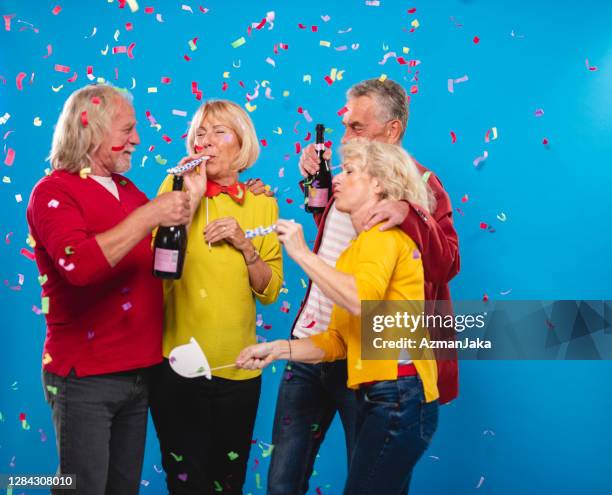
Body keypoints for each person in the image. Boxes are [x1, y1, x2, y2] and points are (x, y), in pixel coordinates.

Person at [266, 78, 460, 495]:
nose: (343, 139)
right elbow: (339, 245)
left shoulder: (419, 186)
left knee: (371, 477)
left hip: (378, 359)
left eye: (357, 128)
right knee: (283, 479)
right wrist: (314, 188)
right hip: (319, 341)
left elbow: (447, 263)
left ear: (392, 130)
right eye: (346, 125)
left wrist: (409, 212)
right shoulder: (351, 180)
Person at [237, 138, 440, 494]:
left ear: (377, 183)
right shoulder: (356, 251)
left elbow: (362, 302)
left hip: (399, 396)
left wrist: (301, 253)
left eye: (349, 171)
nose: (338, 179)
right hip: (387, 396)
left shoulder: (384, 238)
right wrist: (278, 349)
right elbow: (340, 341)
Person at [26, 84, 191, 495]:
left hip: (139, 372)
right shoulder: (54, 191)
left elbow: (156, 267)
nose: (136, 139)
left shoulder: (130, 191)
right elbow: (78, 267)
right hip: (84, 377)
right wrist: (149, 216)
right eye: (128, 129)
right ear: (93, 129)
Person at [149, 99, 283, 495]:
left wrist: (246, 245)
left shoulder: (262, 203)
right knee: (186, 483)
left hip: (239, 367)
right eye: (199, 133)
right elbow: (159, 265)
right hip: (178, 365)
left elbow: (270, 290)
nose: (205, 142)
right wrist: (189, 198)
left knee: (228, 484)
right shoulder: (172, 187)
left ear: (241, 143)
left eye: (218, 132)